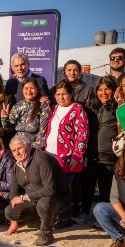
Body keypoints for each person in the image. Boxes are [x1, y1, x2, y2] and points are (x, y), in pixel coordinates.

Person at [3, 135, 71, 246]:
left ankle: (46, 233)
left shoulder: (42, 159)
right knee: (10, 211)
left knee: (43, 204)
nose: (17, 153)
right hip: (36, 199)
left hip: (58, 198)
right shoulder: (17, 166)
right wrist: (14, 223)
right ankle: (46, 220)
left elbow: (50, 190)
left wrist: (23, 197)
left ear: (29, 146)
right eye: (14, 150)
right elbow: (13, 194)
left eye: (20, 148)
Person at [44, 80, 89, 228]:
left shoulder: (77, 109)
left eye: (64, 94)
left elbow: (83, 134)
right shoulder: (55, 108)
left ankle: (65, 217)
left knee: (62, 188)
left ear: (71, 94)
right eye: (58, 94)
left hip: (67, 157)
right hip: (50, 153)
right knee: (51, 186)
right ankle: (55, 215)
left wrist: (77, 155)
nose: (61, 97)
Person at [80, 76, 118, 222]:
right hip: (91, 155)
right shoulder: (91, 109)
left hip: (109, 157)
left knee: (106, 188)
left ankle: (103, 218)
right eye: (100, 89)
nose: (103, 92)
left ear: (113, 90)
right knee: (87, 186)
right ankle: (85, 212)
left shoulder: (117, 109)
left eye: (107, 89)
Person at [1, 77, 50, 149]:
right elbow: (9, 129)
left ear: (37, 90)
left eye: (32, 88)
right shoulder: (17, 106)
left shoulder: (43, 106)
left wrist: (37, 147)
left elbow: (43, 129)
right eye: (26, 88)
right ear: (22, 90)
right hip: (17, 145)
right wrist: (5, 118)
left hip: (33, 146)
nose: (29, 91)